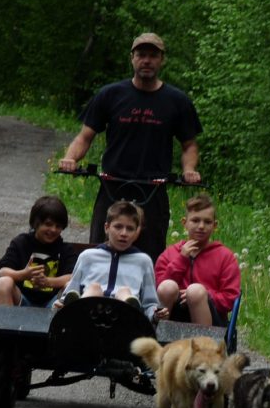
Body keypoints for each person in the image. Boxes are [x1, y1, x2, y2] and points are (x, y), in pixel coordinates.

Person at [58, 32, 203, 264]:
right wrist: (70, 158)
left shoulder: (177, 101)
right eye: (141, 55)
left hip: (153, 190)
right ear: (132, 58)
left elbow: (189, 145)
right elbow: (85, 136)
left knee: (151, 257)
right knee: (99, 251)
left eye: (153, 56)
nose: (147, 60)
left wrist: (189, 170)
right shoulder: (110, 94)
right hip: (112, 185)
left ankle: (143, 299)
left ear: (161, 60)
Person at [58, 201, 168, 322]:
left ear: (136, 232)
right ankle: (78, 306)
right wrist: (61, 304)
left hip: (123, 319)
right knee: (94, 288)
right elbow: (70, 292)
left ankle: (130, 305)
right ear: (107, 228)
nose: (124, 233)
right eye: (118, 227)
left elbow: (150, 303)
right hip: (89, 316)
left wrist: (156, 314)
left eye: (130, 229)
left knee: (124, 292)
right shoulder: (88, 257)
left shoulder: (143, 261)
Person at [155, 194, 240, 326]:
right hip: (174, 314)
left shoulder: (225, 256)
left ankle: (204, 345)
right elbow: (158, 291)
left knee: (195, 291)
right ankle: (159, 339)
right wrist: (181, 259)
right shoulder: (169, 254)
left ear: (215, 225)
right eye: (195, 220)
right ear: (185, 223)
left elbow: (230, 299)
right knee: (167, 286)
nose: (201, 226)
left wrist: (206, 295)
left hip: (211, 319)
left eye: (207, 222)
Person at [0, 195, 78, 308]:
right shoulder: (21, 243)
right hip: (22, 299)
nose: (53, 230)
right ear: (35, 223)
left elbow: (72, 277)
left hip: (53, 303)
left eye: (58, 226)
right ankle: (4, 324)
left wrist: (48, 282)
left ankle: (64, 325)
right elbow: (3, 271)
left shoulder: (65, 249)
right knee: (4, 282)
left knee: (71, 288)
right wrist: (24, 274)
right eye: (48, 224)